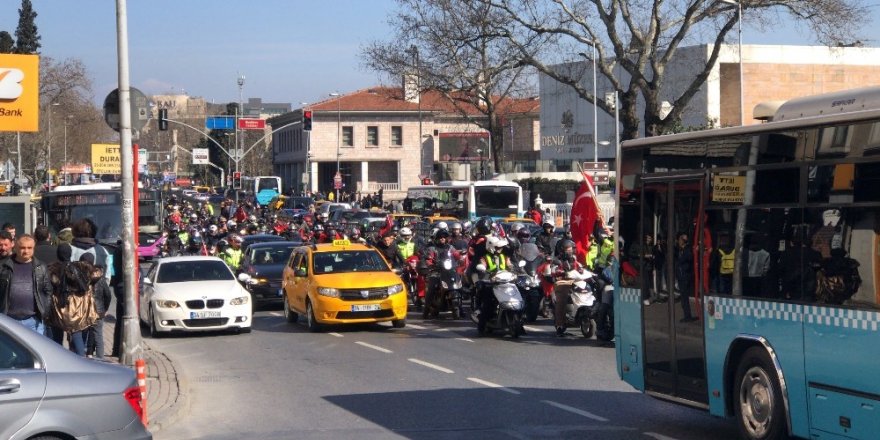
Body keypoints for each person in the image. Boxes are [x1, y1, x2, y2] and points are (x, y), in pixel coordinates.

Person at [0, 234, 53, 335]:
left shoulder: (41, 267)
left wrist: (44, 309)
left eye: (29, 248)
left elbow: (48, 290)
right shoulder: (3, 266)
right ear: (15, 247)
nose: (26, 251)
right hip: (9, 320)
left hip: (34, 321)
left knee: (36, 350)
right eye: (22, 247)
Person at [476, 236, 510, 334]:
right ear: (491, 247)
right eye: (497, 247)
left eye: (500, 247)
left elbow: (510, 265)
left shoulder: (504, 257)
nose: (500, 249)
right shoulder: (485, 258)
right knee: (488, 306)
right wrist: (485, 272)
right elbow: (482, 267)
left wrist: (516, 270)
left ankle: (519, 324)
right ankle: (481, 327)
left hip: (504, 283)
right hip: (491, 284)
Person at [551, 239, 584, 336]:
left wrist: (582, 270)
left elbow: (579, 266)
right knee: (562, 299)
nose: (570, 251)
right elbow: (553, 270)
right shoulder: (557, 260)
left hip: (575, 281)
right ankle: (560, 325)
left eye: (571, 249)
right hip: (562, 282)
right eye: (567, 249)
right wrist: (560, 272)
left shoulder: (574, 259)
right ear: (561, 250)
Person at [674, 232, 697, 322]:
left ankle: (688, 316)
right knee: (683, 297)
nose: (679, 242)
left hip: (685, 276)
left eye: (681, 240)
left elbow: (688, 258)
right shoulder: (679, 250)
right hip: (681, 275)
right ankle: (686, 315)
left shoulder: (687, 250)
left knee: (684, 297)